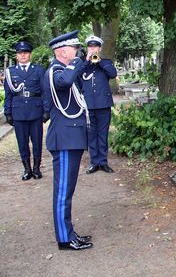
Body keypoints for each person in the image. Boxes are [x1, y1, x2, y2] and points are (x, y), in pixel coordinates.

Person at [45, 30, 93, 250]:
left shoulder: (65, 69)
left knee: (68, 190)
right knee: (63, 191)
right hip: (64, 138)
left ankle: (69, 232)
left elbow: (76, 87)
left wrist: (80, 63)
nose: (77, 52)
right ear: (63, 51)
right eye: (74, 49)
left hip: (71, 137)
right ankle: (64, 238)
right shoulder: (55, 71)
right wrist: (76, 64)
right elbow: (64, 83)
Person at [3, 41, 49, 180]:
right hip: (19, 112)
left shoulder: (39, 70)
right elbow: (8, 94)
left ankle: (36, 169)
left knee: (37, 142)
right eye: (20, 53)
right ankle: (27, 169)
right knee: (22, 142)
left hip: (35, 111)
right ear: (17, 56)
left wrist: (46, 110)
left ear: (30, 54)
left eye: (25, 53)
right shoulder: (11, 72)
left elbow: (45, 92)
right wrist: (8, 112)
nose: (23, 55)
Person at [81, 35, 117, 174]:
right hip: (88, 105)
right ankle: (94, 162)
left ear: (100, 48)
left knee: (103, 134)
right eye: (90, 47)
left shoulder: (106, 62)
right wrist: (87, 60)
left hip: (103, 104)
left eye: (95, 47)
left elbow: (112, 74)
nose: (93, 49)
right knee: (91, 134)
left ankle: (103, 162)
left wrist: (99, 61)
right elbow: (77, 73)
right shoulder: (82, 64)